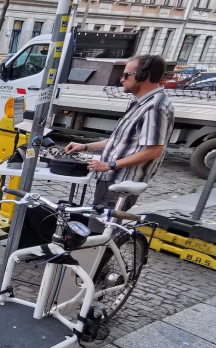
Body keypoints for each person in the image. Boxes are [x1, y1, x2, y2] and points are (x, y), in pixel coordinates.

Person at [65, 54, 174, 229]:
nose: (121, 79)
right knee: (99, 228)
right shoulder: (141, 103)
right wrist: (85, 146)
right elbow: (121, 140)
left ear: (142, 76)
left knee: (99, 233)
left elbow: (154, 150)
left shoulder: (154, 107)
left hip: (120, 181)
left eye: (126, 75)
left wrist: (110, 165)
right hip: (112, 178)